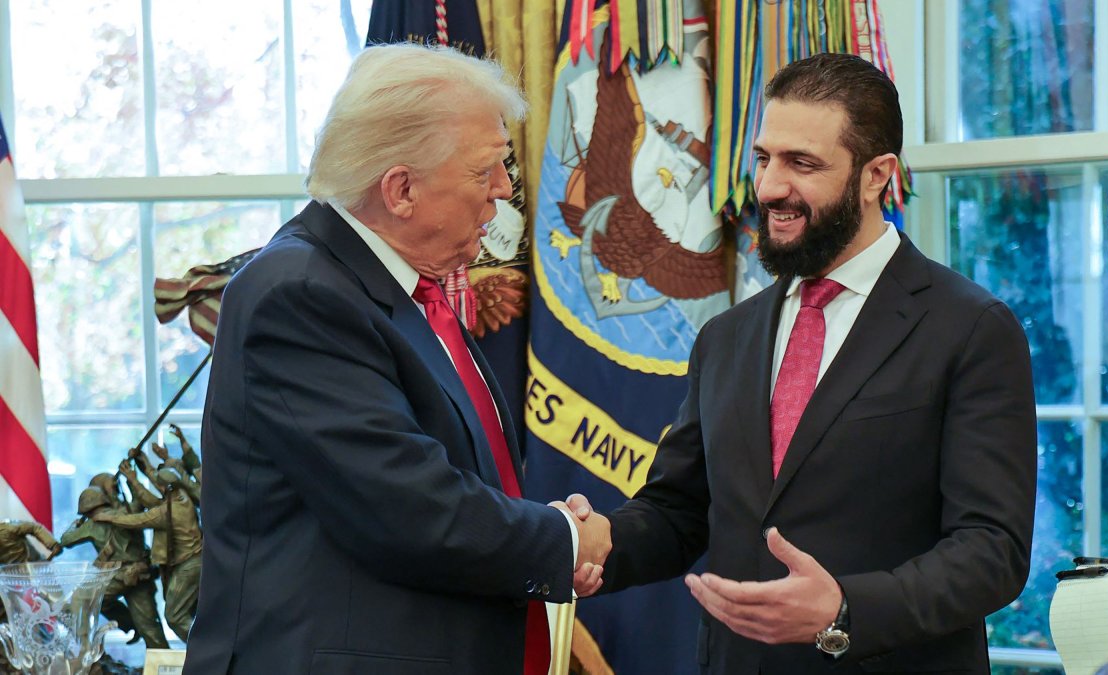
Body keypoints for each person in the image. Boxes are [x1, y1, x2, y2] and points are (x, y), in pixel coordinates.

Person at [567, 53, 1037, 673]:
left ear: (877, 176)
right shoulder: (726, 336)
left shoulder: (971, 328)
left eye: (802, 164)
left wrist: (844, 608)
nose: (767, 188)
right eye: (764, 158)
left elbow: (991, 550)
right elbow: (680, 512)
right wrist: (598, 541)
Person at [183, 43, 608, 675]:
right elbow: (408, 507)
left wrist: (540, 527)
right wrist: (564, 539)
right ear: (401, 189)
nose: (504, 189)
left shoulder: (406, 293)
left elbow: (455, 477)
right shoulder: (298, 294)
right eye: (486, 168)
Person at [95, 467, 203, 642]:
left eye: (159, 485)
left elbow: (137, 520)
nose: (157, 487)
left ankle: (205, 650)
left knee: (175, 616)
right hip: (189, 564)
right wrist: (138, 470)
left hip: (188, 567)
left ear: (166, 488)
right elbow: (149, 499)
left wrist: (109, 517)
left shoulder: (168, 511)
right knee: (186, 612)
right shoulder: (181, 496)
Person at [60, 485, 169, 649]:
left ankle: (84, 651)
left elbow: (65, 540)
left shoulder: (91, 525)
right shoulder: (128, 512)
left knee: (84, 599)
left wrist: (74, 526)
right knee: (148, 625)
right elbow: (139, 501)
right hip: (142, 574)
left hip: (118, 576)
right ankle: (163, 662)